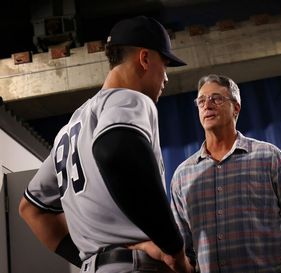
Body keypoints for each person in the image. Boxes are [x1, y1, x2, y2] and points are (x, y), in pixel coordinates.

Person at [19, 16, 194, 273]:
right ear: (145, 59)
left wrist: (97, 261)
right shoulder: (131, 98)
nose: (165, 77)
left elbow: (30, 210)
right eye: (164, 65)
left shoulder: (69, 131)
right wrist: (173, 248)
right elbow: (115, 149)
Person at [170, 74, 281, 273]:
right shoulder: (183, 175)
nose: (207, 105)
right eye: (201, 101)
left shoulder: (268, 157)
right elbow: (182, 249)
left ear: (236, 108)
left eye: (216, 98)